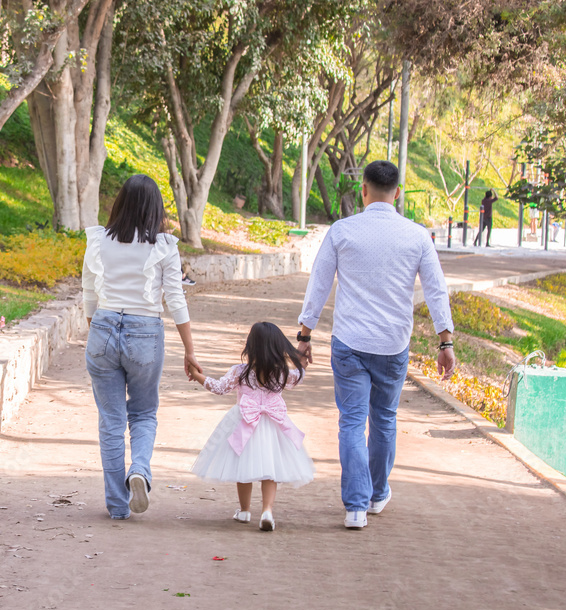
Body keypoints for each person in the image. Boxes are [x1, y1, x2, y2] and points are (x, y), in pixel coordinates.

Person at [296, 160, 456, 530]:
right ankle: (376, 495)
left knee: (352, 422)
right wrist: (445, 340)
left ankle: (355, 508)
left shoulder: (342, 231)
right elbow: (436, 290)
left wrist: (304, 336)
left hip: (349, 342)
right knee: (383, 418)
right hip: (392, 345)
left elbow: (318, 284)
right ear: (397, 193)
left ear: (363, 191)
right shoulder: (417, 236)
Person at [82, 174, 201, 520]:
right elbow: (175, 300)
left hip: (103, 326)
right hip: (145, 332)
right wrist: (190, 351)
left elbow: (89, 295)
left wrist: (99, 335)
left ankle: (118, 506)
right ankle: (140, 472)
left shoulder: (98, 240)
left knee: (111, 421)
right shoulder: (164, 246)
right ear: (155, 209)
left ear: (119, 203)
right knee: (144, 412)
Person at [188, 322, 314, 532]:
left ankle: (245, 510)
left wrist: (197, 374)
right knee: (270, 470)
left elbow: (219, 387)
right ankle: (267, 511)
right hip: (273, 425)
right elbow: (297, 377)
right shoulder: (281, 373)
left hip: (245, 421)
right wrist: (301, 360)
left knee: (243, 465)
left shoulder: (240, 371)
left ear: (250, 346)